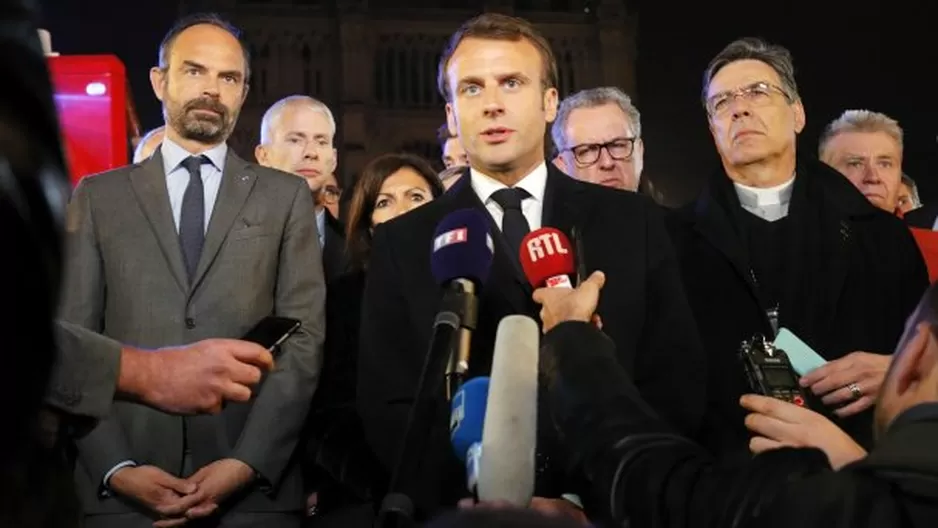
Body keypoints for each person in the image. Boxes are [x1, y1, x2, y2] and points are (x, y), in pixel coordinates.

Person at [358, 12, 705, 522]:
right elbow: (390, 407)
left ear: (549, 103)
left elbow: (675, 383)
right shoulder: (401, 242)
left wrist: (594, 504)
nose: (492, 102)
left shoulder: (633, 221)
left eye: (512, 83)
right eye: (472, 89)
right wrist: (482, 506)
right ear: (452, 116)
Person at [59, 13, 324, 528]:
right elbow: (76, 340)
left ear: (244, 91)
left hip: (252, 498)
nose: (211, 89)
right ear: (161, 81)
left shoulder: (284, 196)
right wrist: (115, 467)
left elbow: (304, 340)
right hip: (122, 498)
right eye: (195, 71)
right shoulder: (98, 197)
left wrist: (245, 463)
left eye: (229, 78)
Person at [665, 38, 927, 455]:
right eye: (721, 103)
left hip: (855, 477)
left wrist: (897, 374)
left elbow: (925, 362)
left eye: (758, 92)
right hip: (728, 483)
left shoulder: (880, 236)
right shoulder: (669, 243)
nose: (740, 108)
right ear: (713, 130)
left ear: (798, 113)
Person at [524, 265, 938, 527]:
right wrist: (864, 469)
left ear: (915, 355)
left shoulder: (823, 507)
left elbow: (659, 486)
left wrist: (571, 338)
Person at [304, 153, 444, 527]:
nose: (402, 210)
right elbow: (327, 415)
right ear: (368, 224)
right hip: (372, 500)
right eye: (384, 201)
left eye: (416, 196)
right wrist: (383, 486)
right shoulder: (342, 299)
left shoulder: (466, 288)